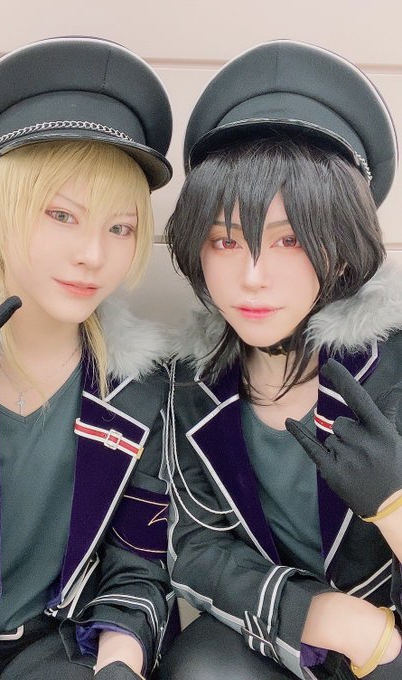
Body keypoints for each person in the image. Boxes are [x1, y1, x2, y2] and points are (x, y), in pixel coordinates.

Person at [0, 36, 175, 680]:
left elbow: (136, 565)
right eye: (62, 214)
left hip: (58, 646)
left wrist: (120, 664)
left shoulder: (139, 391)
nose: (93, 254)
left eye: (119, 227)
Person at [159, 40, 402, 679]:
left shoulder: (394, 367)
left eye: (289, 240)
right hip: (286, 638)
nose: (252, 277)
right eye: (225, 241)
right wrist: (326, 617)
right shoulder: (195, 383)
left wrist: (394, 506)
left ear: (342, 251)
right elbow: (197, 547)